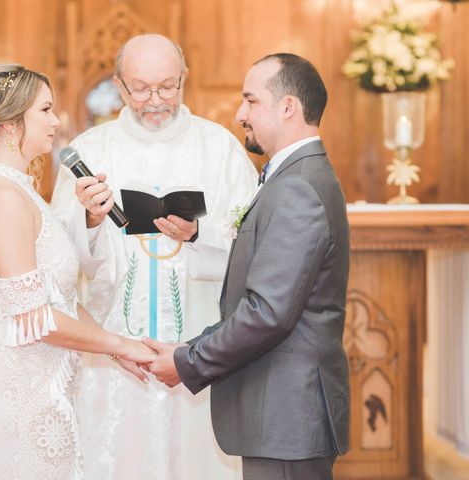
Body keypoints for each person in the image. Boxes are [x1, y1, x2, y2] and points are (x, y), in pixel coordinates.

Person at [0, 63, 155, 480]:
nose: (56, 121)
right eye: (45, 110)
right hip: (19, 401)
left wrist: (118, 348)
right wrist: (121, 345)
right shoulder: (1, 197)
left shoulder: (20, 190)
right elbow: (34, 319)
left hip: (45, 395)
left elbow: (60, 301)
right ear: (9, 123)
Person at [52, 34, 258, 479]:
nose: (155, 100)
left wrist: (198, 234)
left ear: (184, 79)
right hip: (114, 346)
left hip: (198, 341)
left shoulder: (218, 147)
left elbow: (253, 245)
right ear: (119, 86)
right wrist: (89, 220)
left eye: (168, 86)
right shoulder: (91, 149)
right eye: (141, 88)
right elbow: (60, 261)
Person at [145, 53, 351, 480]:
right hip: (281, 416)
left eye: (251, 101)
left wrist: (188, 362)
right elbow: (256, 302)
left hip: (287, 416)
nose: (240, 114)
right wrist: (187, 349)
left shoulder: (297, 186)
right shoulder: (292, 176)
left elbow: (268, 312)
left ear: (288, 107)